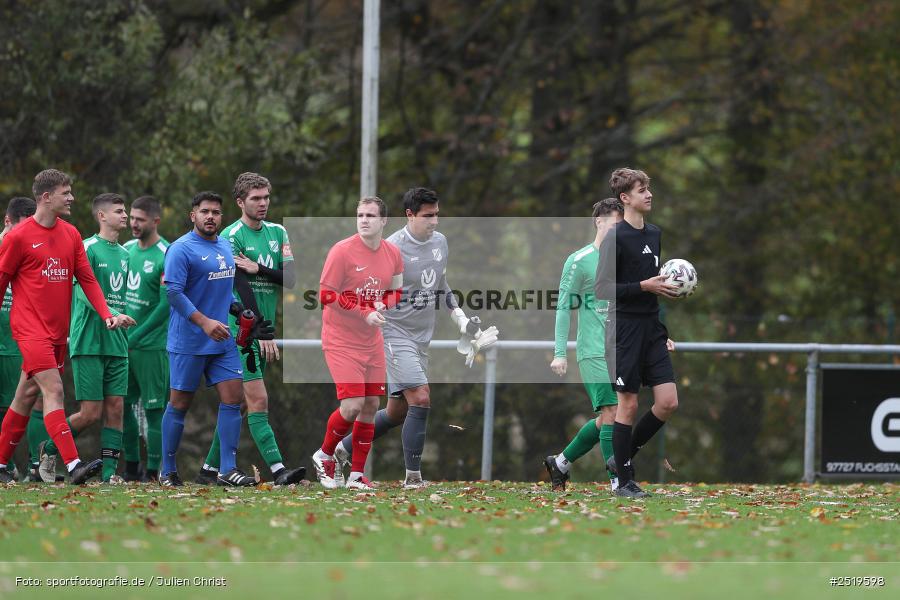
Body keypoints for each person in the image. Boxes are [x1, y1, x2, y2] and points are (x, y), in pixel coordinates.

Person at [334, 187, 498, 488]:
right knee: (421, 397)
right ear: (409, 215)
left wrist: (461, 320)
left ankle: (340, 449)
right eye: (427, 216)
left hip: (422, 338)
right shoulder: (391, 248)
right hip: (393, 333)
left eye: (437, 214)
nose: (434, 221)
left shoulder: (440, 242)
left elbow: (441, 285)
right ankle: (413, 478)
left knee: (397, 412)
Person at [0, 169, 132, 485]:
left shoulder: (71, 234)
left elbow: (87, 279)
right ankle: (73, 464)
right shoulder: (19, 237)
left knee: (25, 396)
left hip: (58, 333)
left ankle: (1, 462)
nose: (71, 197)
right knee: (54, 390)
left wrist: (106, 314)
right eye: (66, 192)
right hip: (29, 331)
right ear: (46, 197)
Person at [194, 173, 305, 486]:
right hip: (240, 329)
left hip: (261, 326)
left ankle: (208, 470)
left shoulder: (278, 232)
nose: (263, 204)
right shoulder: (231, 236)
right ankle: (279, 469)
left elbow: (291, 278)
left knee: (240, 405)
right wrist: (259, 329)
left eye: (266, 197)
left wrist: (259, 268)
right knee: (258, 401)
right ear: (240, 202)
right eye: (256, 199)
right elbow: (239, 286)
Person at [158, 191, 273, 487]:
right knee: (180, 404)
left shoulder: (224, 246)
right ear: (192, 215)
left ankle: (227, 469)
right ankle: (168, 470)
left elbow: (226, 289)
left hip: (222, 340)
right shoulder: (180, 249)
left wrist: (237, 307)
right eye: (205, 211)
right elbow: (173, 293)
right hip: (189, 341)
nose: (211, 217)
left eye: (216, 213)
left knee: (233, 399)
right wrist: (204, 322)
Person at [38, 193, 138, 483]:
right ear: (101, 216)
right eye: (119, 211)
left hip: (117, 343)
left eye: (126, 210)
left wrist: (123, 316)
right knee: (90, 413)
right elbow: (82, 292)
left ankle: (109, 475)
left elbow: (121, 296)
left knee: (116, 407)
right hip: (89, 342)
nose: (125, 216)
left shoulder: (125, 254)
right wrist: (109, 314)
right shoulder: (86, 248)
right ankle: (49, 447)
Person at [594, 168, 679, 499]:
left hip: (652, 328)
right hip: (624, 329)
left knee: (668, 402)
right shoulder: (616, 237)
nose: (649, 194)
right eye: (642, 190)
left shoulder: (655, 233)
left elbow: (653, 283)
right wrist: (643, 286)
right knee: (627, 404)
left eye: (649, 189)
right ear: (625, 198)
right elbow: (602, 289)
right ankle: (624, 482)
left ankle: (622, 456)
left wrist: (667, 288)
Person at [311, 197, 403, 491]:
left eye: (371, 215)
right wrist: (364, 312)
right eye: (360, 215)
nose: (364, 220)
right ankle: (324, 455)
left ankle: (356, 476)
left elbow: (396, 291)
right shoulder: (342, 251)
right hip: (341, 340)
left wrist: (383, 305)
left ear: (384, 221)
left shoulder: (392, 253)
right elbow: (325, 296)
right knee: (351, 406)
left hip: (371, 341)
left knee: (371, 405)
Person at [543, 198, 623, 492]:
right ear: (599, 222)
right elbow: (563, 307)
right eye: (616, 222)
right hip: (593, 351)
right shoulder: (579, 260)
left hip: (620, 350)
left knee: (609, 417)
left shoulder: (622, 261)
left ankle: (560, 462)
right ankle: (618, 481)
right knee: (613, 412)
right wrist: (560, 352)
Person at [0, 196, 49, 481]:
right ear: (8, 222)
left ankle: (35, 465)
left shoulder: (33, 245)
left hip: (22, 339)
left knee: (33, 399)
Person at [121, 195, 169, 482]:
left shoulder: (167, 253)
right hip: (124, 346)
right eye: (131, 218)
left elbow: (166, 305)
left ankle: (153, 473)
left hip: (152, 347)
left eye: (140, 219)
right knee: (122, 406)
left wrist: (136, 334)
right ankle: (130, 469)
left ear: (155, 221)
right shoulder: (125, 250)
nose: (133, 224)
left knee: (153, 410)